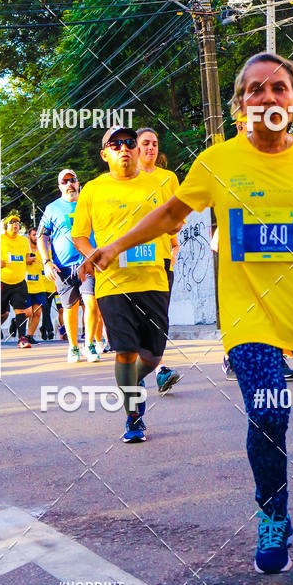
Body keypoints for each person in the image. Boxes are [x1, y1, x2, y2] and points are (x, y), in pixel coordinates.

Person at [90, 54, 293, 576]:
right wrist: (115, 246)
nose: (267, 97)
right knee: (269, 413)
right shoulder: (217, 162)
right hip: (251, 317)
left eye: (279, 88)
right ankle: (273, 516)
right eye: (254, 90)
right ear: (239, 106)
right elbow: (169, 214)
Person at [72, 126, 170, 443]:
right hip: (113, 284)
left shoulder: (158, 183)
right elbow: (79, 235)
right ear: (105, 154)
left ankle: (131, 381)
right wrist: (94, 254)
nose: (124, 148)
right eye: (115, 145)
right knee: (126, 350)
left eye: (129, 143)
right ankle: (133, 416)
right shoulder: (92, 190)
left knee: (153, 355)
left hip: (153, 278)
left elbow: (174, 220)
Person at [217, 112, 293, 383]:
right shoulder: (227, 156)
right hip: (238, 231)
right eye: (244, 123)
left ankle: (277, 356)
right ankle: (232, 355)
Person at [37, 169, 102, 363]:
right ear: (59, 187)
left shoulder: (89, 204)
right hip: (62, 268)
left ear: (78, 182)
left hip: (87, 263)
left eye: (72, 180)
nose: (69, 185)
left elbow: (102, 228)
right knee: (70, 309)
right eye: (64, 182)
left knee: (92, 304)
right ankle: (73, 347)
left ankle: (89, 345)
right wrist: (46, 262)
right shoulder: (52, 209)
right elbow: (42, 235)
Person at [137, 127, 181, 394]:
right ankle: (143, 370)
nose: (151, 148)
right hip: (129, 261)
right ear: (136, 148)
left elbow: (176, 217)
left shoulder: (169, 178)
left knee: (157, 319)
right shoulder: (125, 180)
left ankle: (157, 369)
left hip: (161, 260)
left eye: (154, 143)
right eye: (145, 143)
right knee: (138, 318)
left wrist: (174, 247)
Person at [0, 212, 33, 348]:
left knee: (20, 310)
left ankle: (22, 338)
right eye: (12, 222)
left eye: (17, 223)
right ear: (5, 226)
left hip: (19, 282)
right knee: (1, 313)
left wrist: (34, 260)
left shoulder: (23, 241)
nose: (15, 225)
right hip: (2, 282)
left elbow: (26, 258)